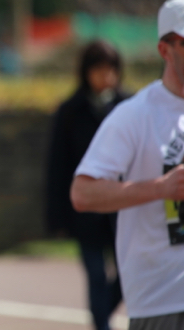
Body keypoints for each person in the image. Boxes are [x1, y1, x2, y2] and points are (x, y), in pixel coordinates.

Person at [71, 0, 184, 330]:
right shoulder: (133, 115)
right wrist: (162, 188)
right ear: (165, 50)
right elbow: (82, 194)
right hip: (165, 303)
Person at [46, 39, 126, 330]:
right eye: (99, 69)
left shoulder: (128, 107)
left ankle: (101, 315)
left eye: (111, 69)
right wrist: (56, 217)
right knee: (95, 274)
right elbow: (58, 166)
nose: (106, 76)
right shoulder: (70, 111)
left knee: (127, 272)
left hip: (123, 207)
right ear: (86, 72)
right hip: (85, 210)